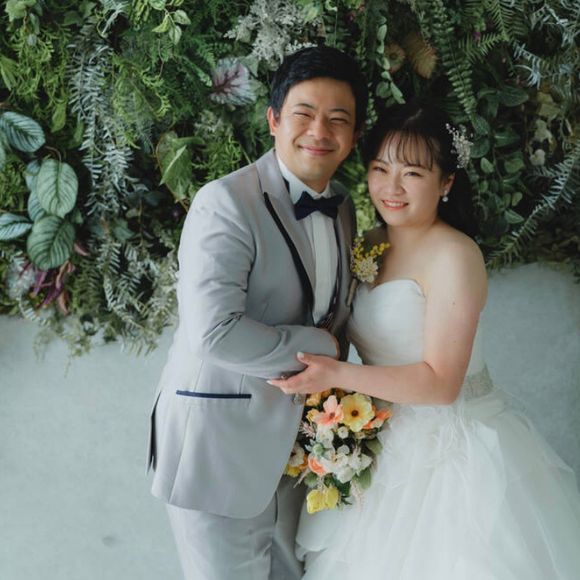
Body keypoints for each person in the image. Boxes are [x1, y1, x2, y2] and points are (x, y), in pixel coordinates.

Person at [269, 101, 580, 579]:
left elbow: (441, 384)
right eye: (380, 169)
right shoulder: (367, 241)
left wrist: (335, 374)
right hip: (380, 438)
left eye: (412, 173)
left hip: (454, 446)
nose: (391, 187)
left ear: (446, 183)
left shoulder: (456, 256)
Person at [146, 46, 368, 580]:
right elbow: (214, 333)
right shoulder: (224, 202)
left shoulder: (343, 206)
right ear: (273, 120)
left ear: (355, 134)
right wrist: (323, 351)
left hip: (299, 451)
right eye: (304, 113)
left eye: (338, 119)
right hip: (219, 446)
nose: (320, 130)